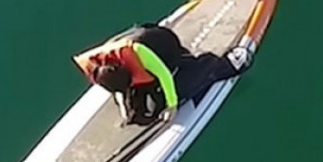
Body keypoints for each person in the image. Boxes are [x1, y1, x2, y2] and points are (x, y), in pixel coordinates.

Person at [78, 23, 247, 126]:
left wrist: (171, 105)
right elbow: (118, 88)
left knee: (180, 90)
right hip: (134, 71)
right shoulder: (96, 68)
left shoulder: (138, 53)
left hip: (165, 51)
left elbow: (163, 75)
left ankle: (220, 65)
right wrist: (123, 105)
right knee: (136, 113)